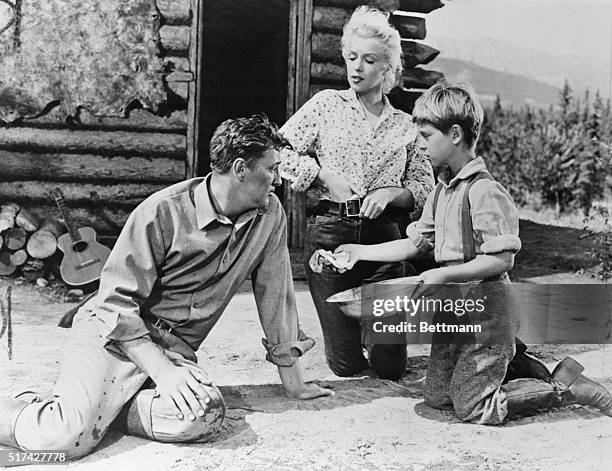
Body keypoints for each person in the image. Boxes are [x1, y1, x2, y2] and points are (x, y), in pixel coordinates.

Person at [0, 114, 333, 459]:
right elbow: (114, 303)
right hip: (113, 335)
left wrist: (294, 383)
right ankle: (65, 414)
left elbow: (275, 295)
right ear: (240, 168)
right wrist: (163, 373)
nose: (279, 180)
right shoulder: (162, 211)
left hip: (175, 347)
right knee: (63, 438)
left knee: (202, 414)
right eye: (272, 169)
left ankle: (102, 410)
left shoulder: (270, 216)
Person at [335, 80, 612, 423]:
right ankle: (512, 362)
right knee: (438, 398)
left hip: (488, 312)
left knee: (473, 406)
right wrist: (361, 252)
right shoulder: (441, 192)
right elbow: (414, 244)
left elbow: (502, 259)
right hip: (455, 311)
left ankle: (566, 389)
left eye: (425, 135)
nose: (417, 144)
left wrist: (444, 273)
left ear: (454, 135)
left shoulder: (485, 191)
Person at [279, 6, 435, 381]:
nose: (357, 68)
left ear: (388, 69)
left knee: (389, 367)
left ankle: (378, 330)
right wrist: (321, 174)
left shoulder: (404, 125)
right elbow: (277, 151)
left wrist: (393, 193)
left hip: (385, 244)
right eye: (352, 57)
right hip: (331, 238)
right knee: (346, 367)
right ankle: (354, 336)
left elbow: (424, 189)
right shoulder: (326, 106)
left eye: (369, 60)